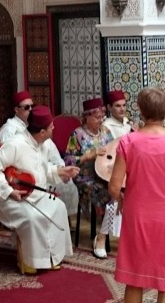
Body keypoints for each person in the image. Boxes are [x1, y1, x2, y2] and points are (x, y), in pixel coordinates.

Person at [108, 87, 165, 303]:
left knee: (135, 278)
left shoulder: (128, 142)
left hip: (137, 215)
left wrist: (123, 197)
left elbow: (114, 187)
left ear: (140, 109)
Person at [0, 105, 81, 273]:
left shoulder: (43, 143)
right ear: (42, 132)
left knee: (59, 208)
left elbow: (42, 170)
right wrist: (9, 191)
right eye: (51, 126)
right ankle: (29, 261)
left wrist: (60, 171)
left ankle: (51, 257)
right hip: (10, 197)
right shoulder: (15, 144)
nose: (54, 127)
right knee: (32, 218)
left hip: (35, 194)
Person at [0, 90, 79, 216]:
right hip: (21, 183)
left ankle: (62, 222)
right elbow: (7, 169)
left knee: (66, 188)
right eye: (26, 107)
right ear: (16, 110)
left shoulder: (39, 131)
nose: (30, 109)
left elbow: (52, 156)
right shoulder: (10, 133)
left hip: (41, 176)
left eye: (32, 106)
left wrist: (60, 169)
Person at [64, 97, 119, 259]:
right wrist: (88, 156)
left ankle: (126, 236)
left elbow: (112, 152)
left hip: (104, 174)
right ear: (87, 116)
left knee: (125, 189)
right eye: (96, 117)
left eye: (102, 117)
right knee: (111, 194)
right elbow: (68, 161)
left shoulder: (105, 131)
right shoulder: (77, 135)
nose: (100, 120)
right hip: (85, 177)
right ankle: (101, 238)